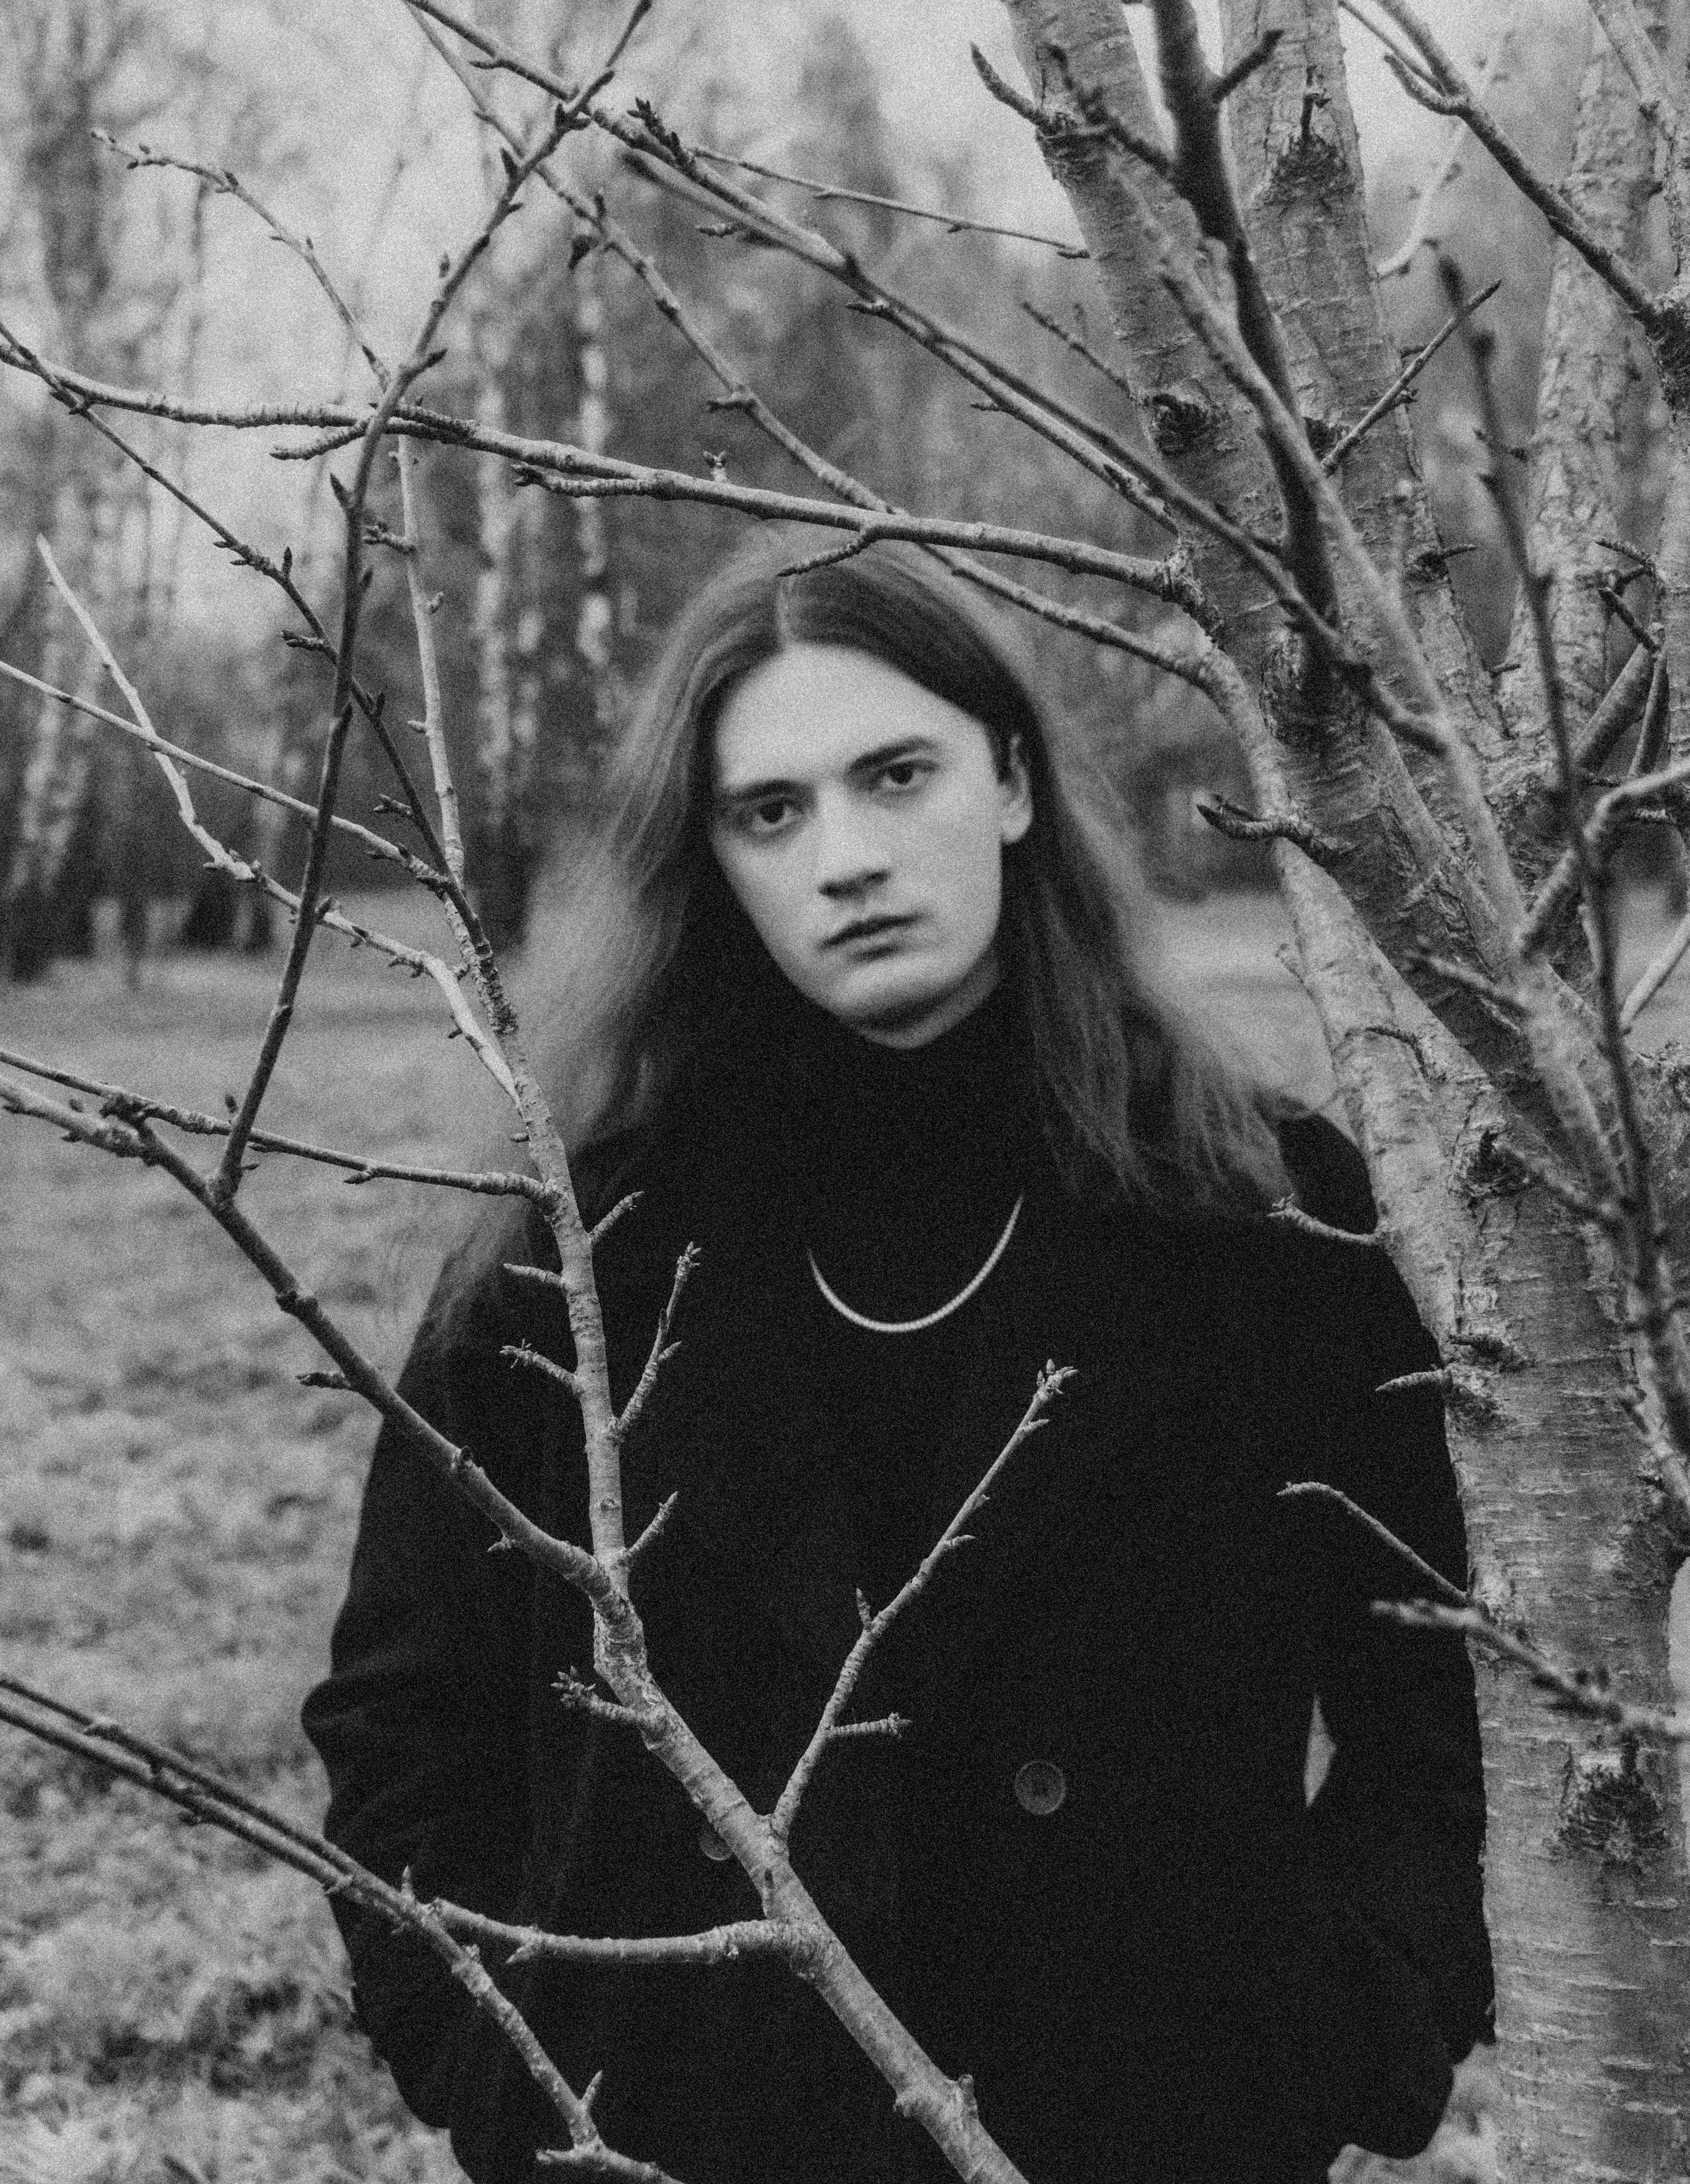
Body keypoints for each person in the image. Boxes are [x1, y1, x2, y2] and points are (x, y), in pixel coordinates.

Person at [302, 536, 1494, 2184]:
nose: (845, 855)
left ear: (1008, 779)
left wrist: (1337, 2031)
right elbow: (403, 1730)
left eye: (895, 773)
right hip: (690, 2140)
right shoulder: (576, 1256)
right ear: (709, 857)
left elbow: (1438, 1695)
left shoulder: (1259, 1216)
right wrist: (528, 2091)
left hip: (1150, 2127)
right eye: (770, 810)